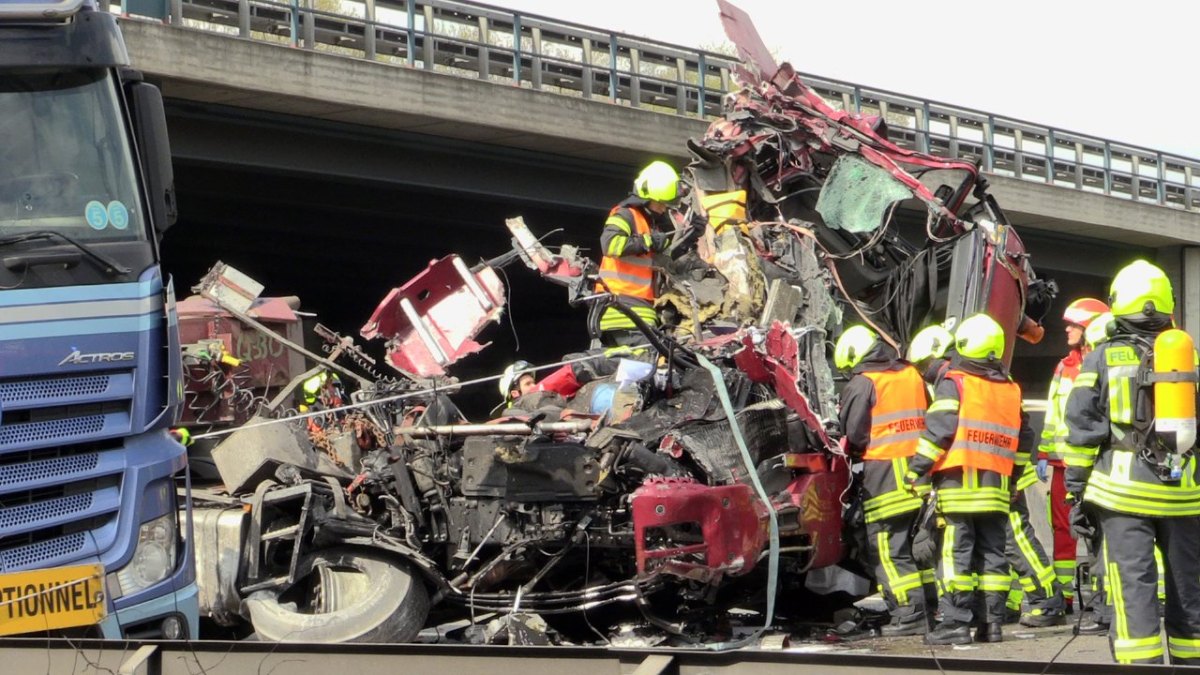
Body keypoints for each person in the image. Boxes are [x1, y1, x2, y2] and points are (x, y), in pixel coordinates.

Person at [1062, 260, 1200, 665]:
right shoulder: (1189, 357)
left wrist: (1076, 490)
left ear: (1118, 303)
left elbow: (1083, 428)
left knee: (1132, 590)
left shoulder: (1102, 358)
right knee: (1189, 592)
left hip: (1123, 497)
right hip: (1185, 497)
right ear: (1167, 304)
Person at [905, 313, 1033, 645]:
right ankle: (991, 626)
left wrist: (916, 470)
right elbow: (1025, 438)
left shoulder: (955, 381)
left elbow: (939, 431)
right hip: (997, 489)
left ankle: (954, 624)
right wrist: (1014, 476)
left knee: (955, 556)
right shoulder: (1010, 388)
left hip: (959, 487)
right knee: (993, 556)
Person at [836, 325, 933, 636]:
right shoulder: (911, 374)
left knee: (889, 550)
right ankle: (929, 607)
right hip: (919, 475)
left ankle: (908, 614)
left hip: (885, 478)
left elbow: (855, 435)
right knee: (919, 547)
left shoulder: (863, 383)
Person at [1036, 298, 1109, 618]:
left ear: (1090, 327)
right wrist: (1044, 453)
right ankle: (1066, 596)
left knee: (1102, 531)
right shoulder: (1063, 366)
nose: (1067, 329)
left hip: (1098, 464)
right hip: (1064, 464)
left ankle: (1102, 594)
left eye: (1074, 325)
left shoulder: (1107, 363)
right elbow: (1053, 412)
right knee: (1062, 529)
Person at [593, 161, 684, 347]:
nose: (664, 208)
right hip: (624, 309)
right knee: (646, 361)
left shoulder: (649, 222)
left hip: (636, 309)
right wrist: (648, 241)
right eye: (660, 203)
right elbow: (610, 245)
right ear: (646, 197)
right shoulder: (625, 215)